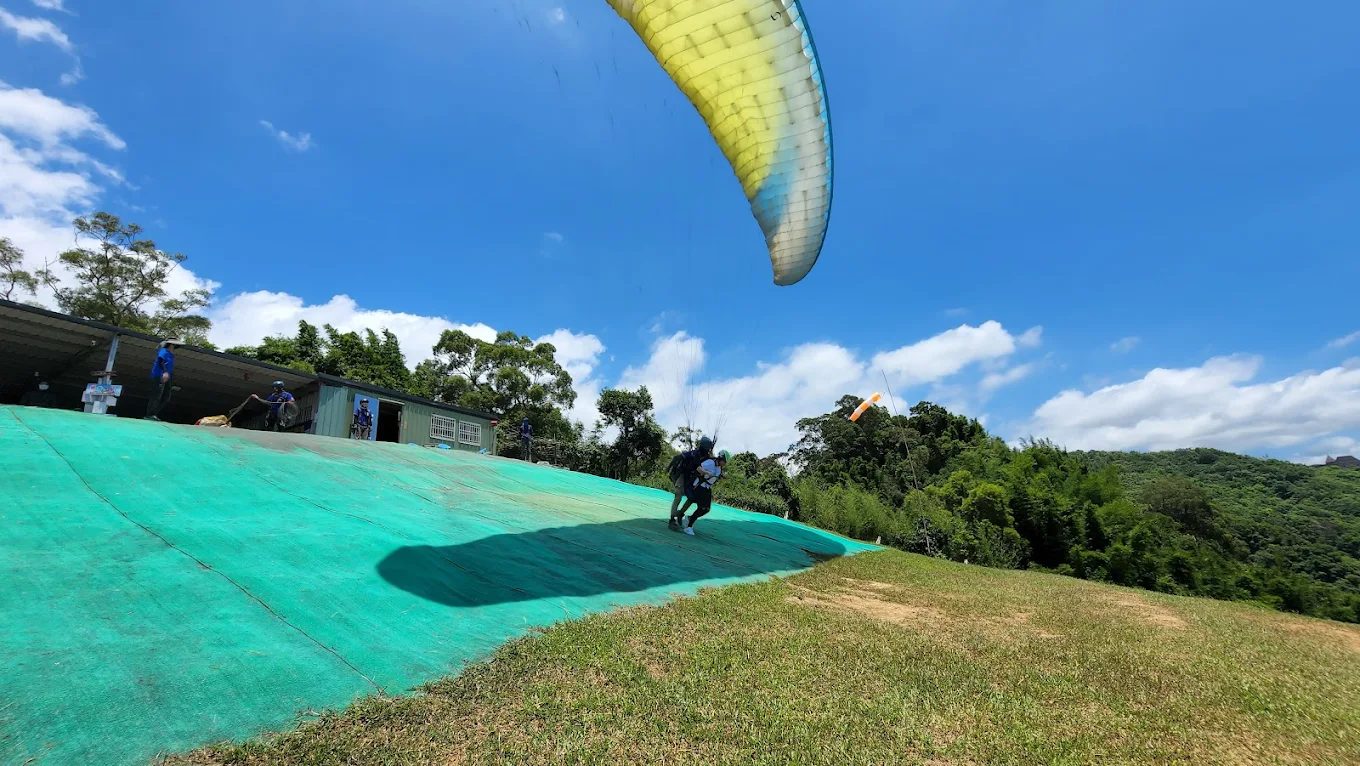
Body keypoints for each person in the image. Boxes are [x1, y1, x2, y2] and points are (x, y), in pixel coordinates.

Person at [675, 450, 729, 536]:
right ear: (720, 458)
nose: (724, 463)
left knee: (706, 509)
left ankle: (689, 519)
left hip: (707, 488)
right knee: (702, 507)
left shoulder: (719, 468)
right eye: (724, 461)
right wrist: (706, 472)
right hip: (699, 486)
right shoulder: (710, 462)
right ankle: (689, 527)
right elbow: (698, 468)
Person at [667, 436, 714, 530]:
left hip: (691, 478)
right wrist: (670, 468)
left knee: (692, 498)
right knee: (678, 496)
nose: (708, 450)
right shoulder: (693, 454)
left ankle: (680, 514)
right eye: (708, 448)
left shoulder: (706, 457)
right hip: (682, 475)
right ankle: (672, 519)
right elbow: (679, 457)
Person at [145, 339, 182, 421]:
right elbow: (161, 361)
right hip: (159, 375)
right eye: (175, 346)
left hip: (167, 377)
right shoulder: (164, 351)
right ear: (171, 345)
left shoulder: (171, 355)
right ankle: (149, 415)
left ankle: (153, 413)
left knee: (166, 397)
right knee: (156, 396)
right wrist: (165, 372)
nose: (176, 348)